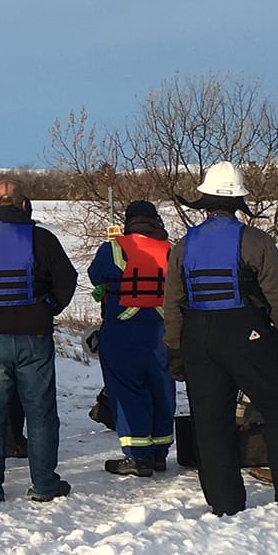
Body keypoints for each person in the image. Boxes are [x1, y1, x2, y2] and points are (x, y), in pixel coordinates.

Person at [163, 162, 278, 515]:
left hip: (198, 335)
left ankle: (224, 503)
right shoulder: (255, 241)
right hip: (245, 332)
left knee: (210, 421)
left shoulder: (182, 245)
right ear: (239, 202)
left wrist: (176, 350)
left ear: (204, 202)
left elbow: (172, 303)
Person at [0, 179, 78, 502]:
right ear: (25, 205)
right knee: (40, 413)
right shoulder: (43, 240)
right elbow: (67, 280)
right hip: (34, 336)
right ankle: (44, 484)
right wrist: (47, 307)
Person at [87, 200, 175, 477]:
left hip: (123, 329)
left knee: (127, 391)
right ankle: (160, 452)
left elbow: (94, 275)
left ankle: (138, 457)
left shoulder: (113, 248)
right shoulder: (171, 250)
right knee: (162, 389)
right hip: (163, 331)